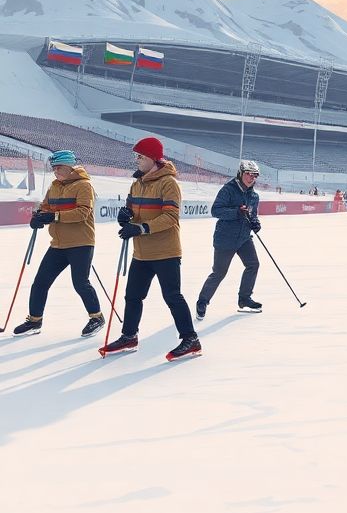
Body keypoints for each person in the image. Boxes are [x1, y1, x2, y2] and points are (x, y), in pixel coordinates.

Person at [99, 137, 202, 361]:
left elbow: (170, 217)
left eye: (141, 156)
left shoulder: (169, 183)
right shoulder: (137, 183)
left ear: (153, 158)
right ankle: (129, 336)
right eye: (136, 156)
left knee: (172, 296)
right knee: (133, 296)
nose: (136, 160)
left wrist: (141, 228)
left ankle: (190, 339)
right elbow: (131, 211)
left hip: (166, 251)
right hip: (142, 252)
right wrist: (125, 217)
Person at [12, 150, 104, 338]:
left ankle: (97, 317)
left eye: (59, 167)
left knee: (80, 283)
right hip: (58, 244)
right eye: (54, 168)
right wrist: (38, 216)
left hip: (81, 242)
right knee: (40, 282)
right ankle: (35, 320)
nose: (56, 171)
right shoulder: (54, 186)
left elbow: (83, 213)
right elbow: (45, 206)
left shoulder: (84, 185)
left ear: (70, 166)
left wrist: (54, 216)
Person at [195, 160, 262, 320]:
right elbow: (216, 210)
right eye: (248, 173)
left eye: (254, 175)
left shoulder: (254, 196)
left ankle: (244, 298)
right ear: (240, 173)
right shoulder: (229, 190)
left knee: (253, 264)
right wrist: (236, 213)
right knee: (219, 272)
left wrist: (255, 222)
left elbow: (252, 214)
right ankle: (202, 301)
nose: (251, 177)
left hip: (244, 238)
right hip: (225, 238)